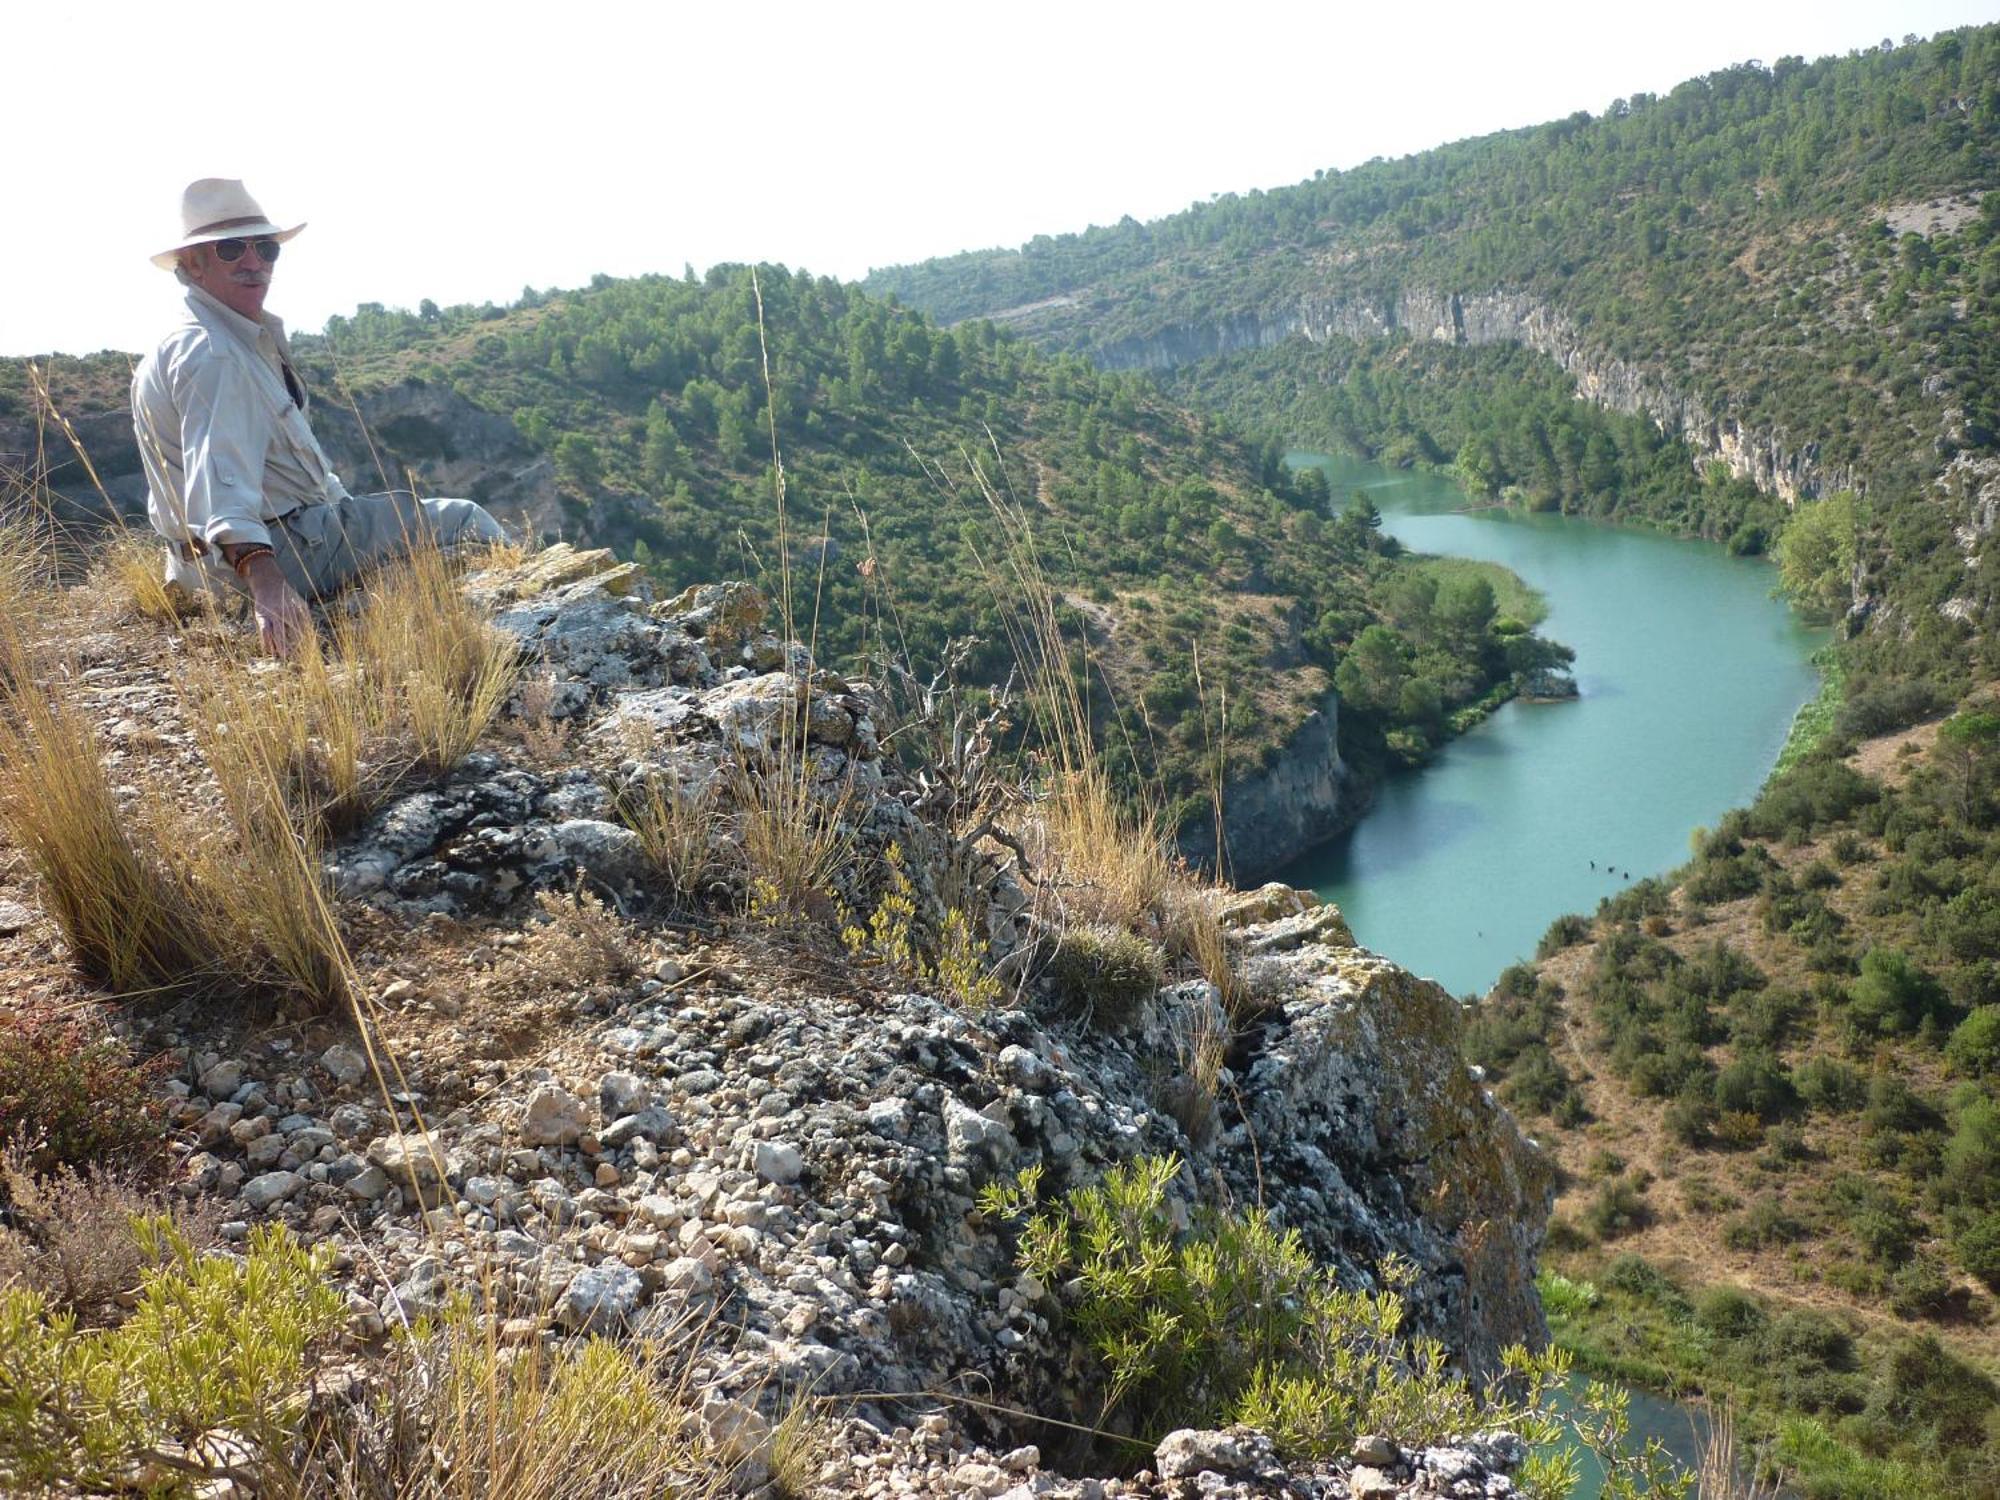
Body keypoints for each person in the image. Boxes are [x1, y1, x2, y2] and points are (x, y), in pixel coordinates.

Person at [131, 178, 505, 657]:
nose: (254, 262)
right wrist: (269, 584)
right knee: (463, 520)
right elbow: (219, 488)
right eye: (230, 249)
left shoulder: (195, 342)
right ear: (193, 264)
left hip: (203, 566)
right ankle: (528, 638)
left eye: (266, 249)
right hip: (269, 555)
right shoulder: (216, 354)